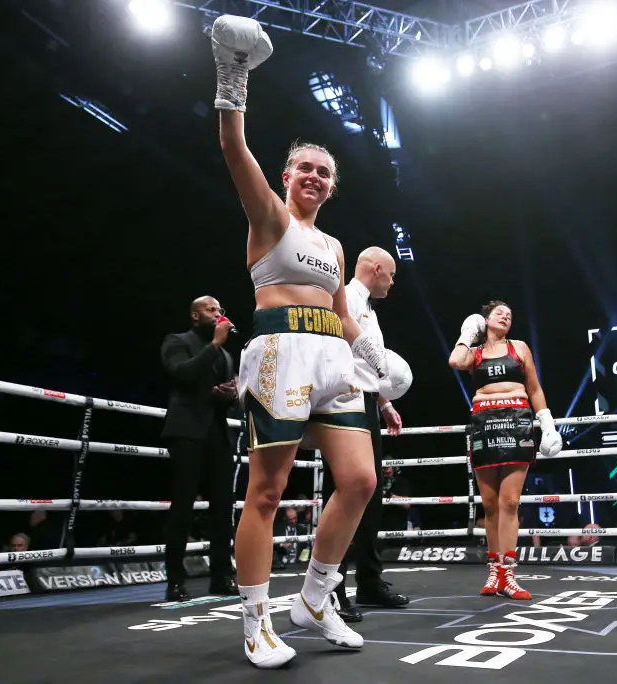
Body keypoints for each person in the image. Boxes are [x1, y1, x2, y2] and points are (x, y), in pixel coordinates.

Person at [210, 14, 387, 669]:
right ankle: (255, 619)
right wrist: (233, 77)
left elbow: (345, 318)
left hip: (333, 358)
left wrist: (377, 372)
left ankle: (314, 598)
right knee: (266, 491)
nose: (313, 176)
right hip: (280, 352)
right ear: (286, 176)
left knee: (360, 479)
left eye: (323, 171)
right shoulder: (270, 217)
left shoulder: (335, 247)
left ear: (333, 186)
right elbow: (234, 147)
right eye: (304, 167)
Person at [448, 300, 563, 599]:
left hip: (517, 421)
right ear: (485, 320)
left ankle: (509, 574)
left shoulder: (520, 348)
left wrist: (547, 425)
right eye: (500, 312)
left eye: (510, 314)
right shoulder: (474, 353)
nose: (506, 316)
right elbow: (454, 361)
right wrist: (467, 332)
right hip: (484, 423)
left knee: (509, 502)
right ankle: (493, 571)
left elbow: (535, 387)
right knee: (488, 504)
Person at [322, 246, 410, 623]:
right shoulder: (343, 300)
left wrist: (385, 403)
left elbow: (369, 363)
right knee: (345, 494)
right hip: (344, 404)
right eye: (391, 274)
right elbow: (339, 353)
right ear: (376, 269)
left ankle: (370, 581)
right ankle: (330, 588)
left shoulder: (369, 310)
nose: (393, 281)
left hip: (367, 402)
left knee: (371, 494)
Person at [160, 295, 239, 601]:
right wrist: (216, 345)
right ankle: (175, 581)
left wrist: (229, 395)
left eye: (220, 310)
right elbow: (182, 374)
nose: (218, 314)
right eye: (211, 310)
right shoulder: (176, 341)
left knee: (223, 509)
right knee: (182, 507)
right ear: (195, 315)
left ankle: (222, 577)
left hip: (217, 436)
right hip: (186, 434)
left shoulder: (226, 357)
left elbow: (225, 396)